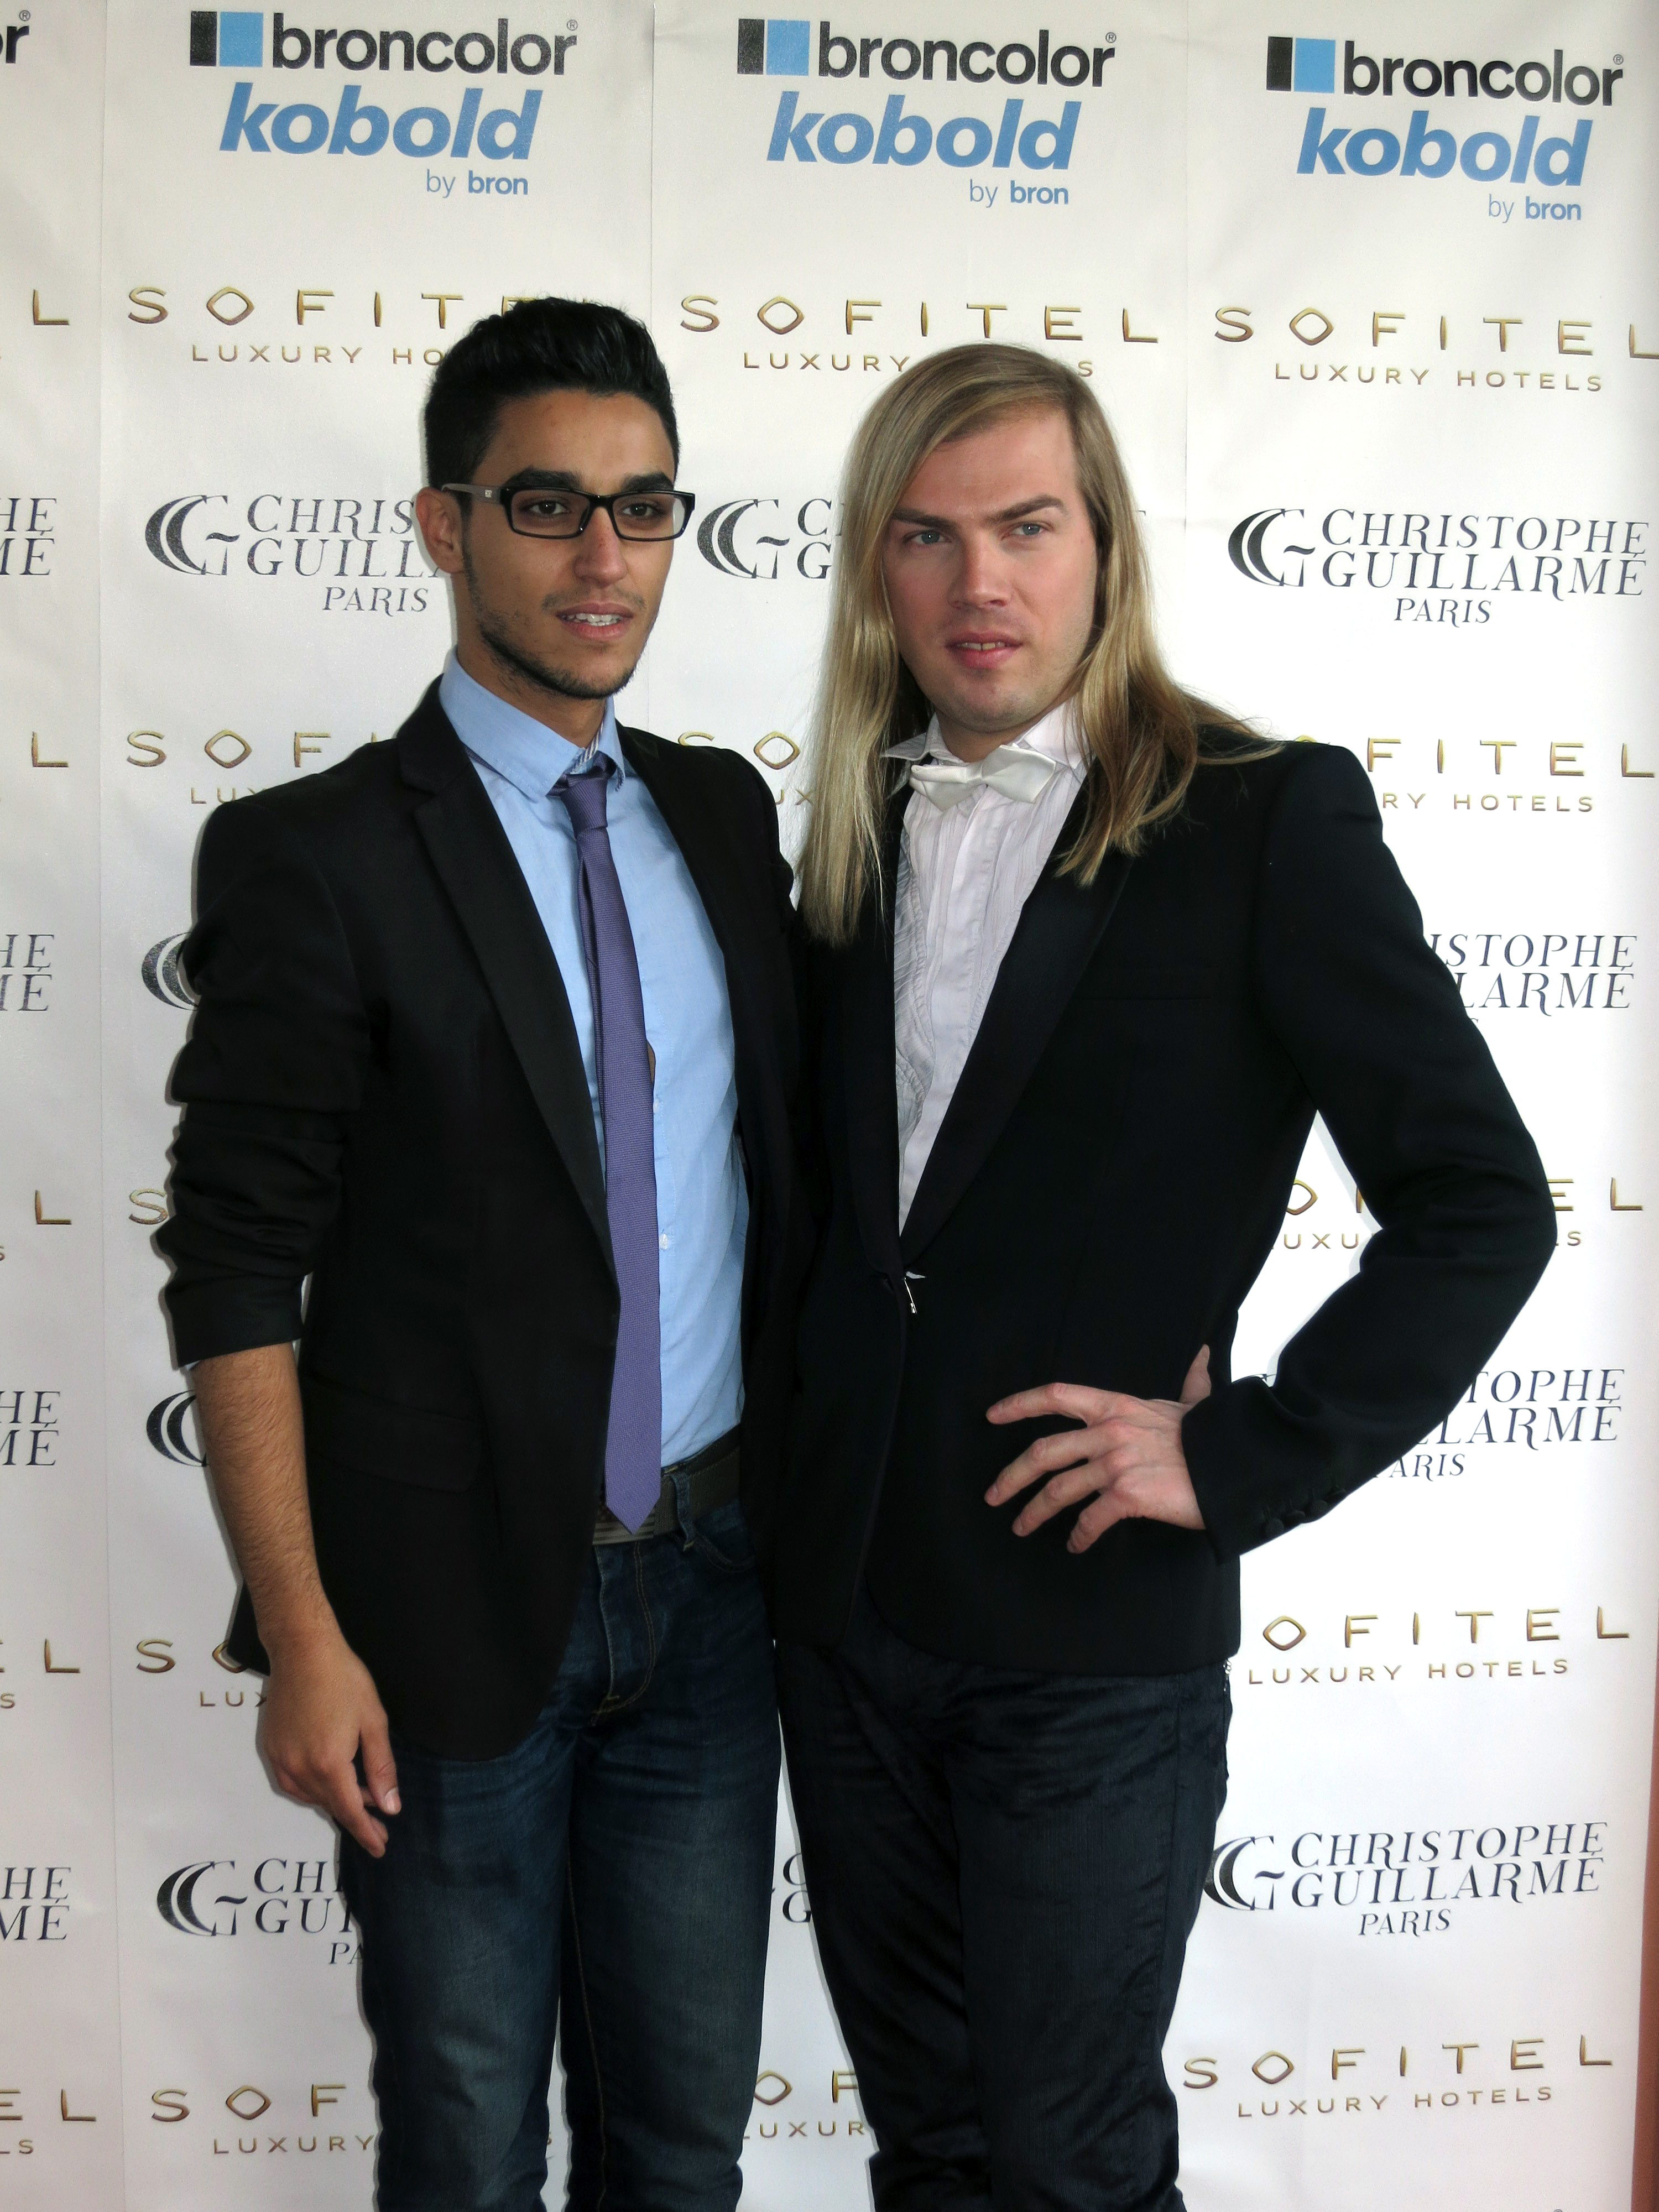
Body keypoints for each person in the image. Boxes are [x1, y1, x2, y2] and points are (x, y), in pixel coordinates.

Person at [772, 344, 1556, 2210]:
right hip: (847, 1616)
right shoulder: (848, 833)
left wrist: (1243, 1456)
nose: (981, 582)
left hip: (1091, 1632)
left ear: (1107, 547)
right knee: (935, 2153)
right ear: (877, 571)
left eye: (1027, 527)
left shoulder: (1266, 818)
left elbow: (1480, 1200)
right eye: (928, 537)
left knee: (1074, 2167)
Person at [158, 297, 809, 2212]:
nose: (604, 556)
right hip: (438, 1621)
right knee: (464, 2152)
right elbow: (236, 1266)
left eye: (643, 505)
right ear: (446, 527)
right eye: (547, 504)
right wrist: (302, 1635)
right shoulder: (315, 855)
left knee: (683, 2147)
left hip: (713, 1595)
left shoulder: (723, 813)